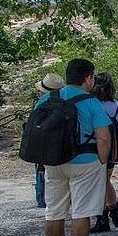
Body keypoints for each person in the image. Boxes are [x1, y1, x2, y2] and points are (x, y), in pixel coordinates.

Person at [37, 59, 111, 236]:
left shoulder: (47, 99)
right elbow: (103, 136)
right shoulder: (91, 102)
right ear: (88, 78)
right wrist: (103, 160)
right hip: (85, 162)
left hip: (54, 161)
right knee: (81, 211)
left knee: (54, 210)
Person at [89, 72, 118, 233]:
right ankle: (114, 214)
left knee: (99, 183)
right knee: (105, 181)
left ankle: (102, 218)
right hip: (113, 150)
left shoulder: (92, 104)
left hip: (94, 149)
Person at [33, 73, 65, 208]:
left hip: (42, 140)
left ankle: (42, 198)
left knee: (41, 169)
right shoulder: (65, 100)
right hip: (60, 141)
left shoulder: (41, 102)